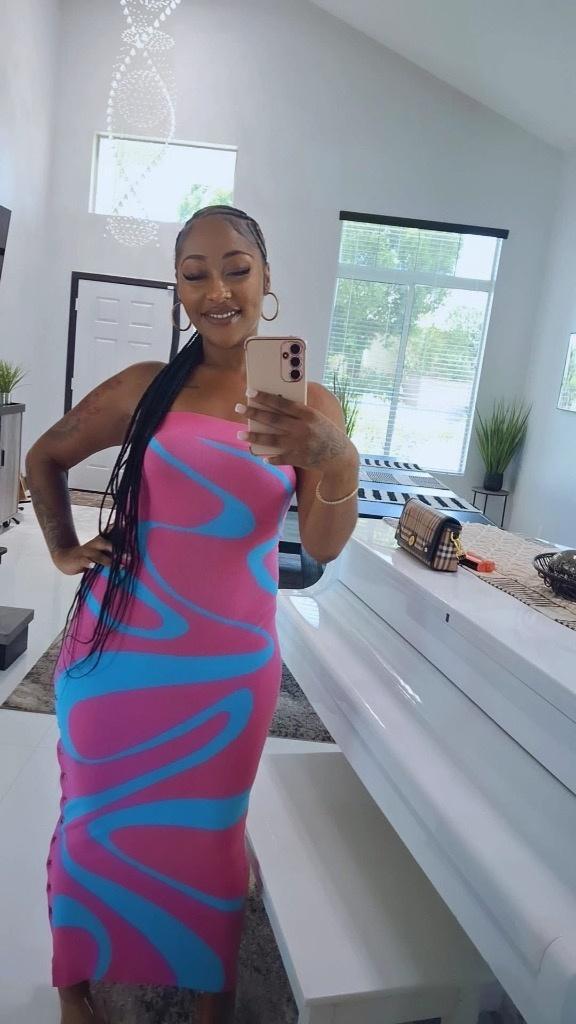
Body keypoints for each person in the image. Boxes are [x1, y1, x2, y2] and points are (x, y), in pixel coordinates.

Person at [26, 205, 359, 1024]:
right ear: (176, 287)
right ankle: (75, 987)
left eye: (237, 269)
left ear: (267, 278)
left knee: (210, 840)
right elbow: (45, 457)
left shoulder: (309, 403)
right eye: (195, 273)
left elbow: (323, 546)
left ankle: (211, 996)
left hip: (227, 677)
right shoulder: (148, 387)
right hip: (114, 655)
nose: (218, 290)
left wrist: (336, 458)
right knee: (92, 825)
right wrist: (64, 549)